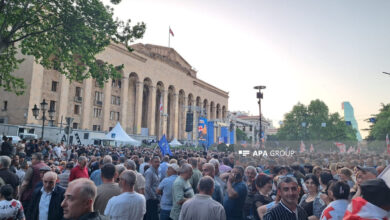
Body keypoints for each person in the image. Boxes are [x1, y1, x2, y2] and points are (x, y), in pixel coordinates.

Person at [144, 156, 160, 220]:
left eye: (159, 162)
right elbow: (147, 187)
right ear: (151, 162)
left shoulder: (156, 170)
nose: (158, 163)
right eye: (156, 162)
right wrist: (154, 197)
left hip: (154, 198)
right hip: (150, 199)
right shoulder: (149, 172)